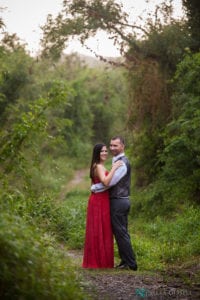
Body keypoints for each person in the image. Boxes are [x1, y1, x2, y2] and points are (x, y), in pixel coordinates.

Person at [91, 136, 137, 271]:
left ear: (123, 146)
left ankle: (131, 263)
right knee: (119, 232)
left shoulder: (122, 163)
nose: (112, 148)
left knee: (121, 232)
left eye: (115, 145)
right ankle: (125, 261)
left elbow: (110, 183)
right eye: (111, 145)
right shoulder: (116, 161)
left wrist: (95, 188)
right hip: (118, 201)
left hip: (119, 201)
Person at [82, 143, 123, 268]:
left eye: (106, 151)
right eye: (102, 151)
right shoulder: (99, 166)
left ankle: (97, 260)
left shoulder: (95, 166)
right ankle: (99, 261)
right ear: (97, 153)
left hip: (98, 199)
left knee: (98, 229)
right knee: (99, 229)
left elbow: (95, 183)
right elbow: (105, 182)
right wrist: (114, 168)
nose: (105, 153)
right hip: (99, 200)